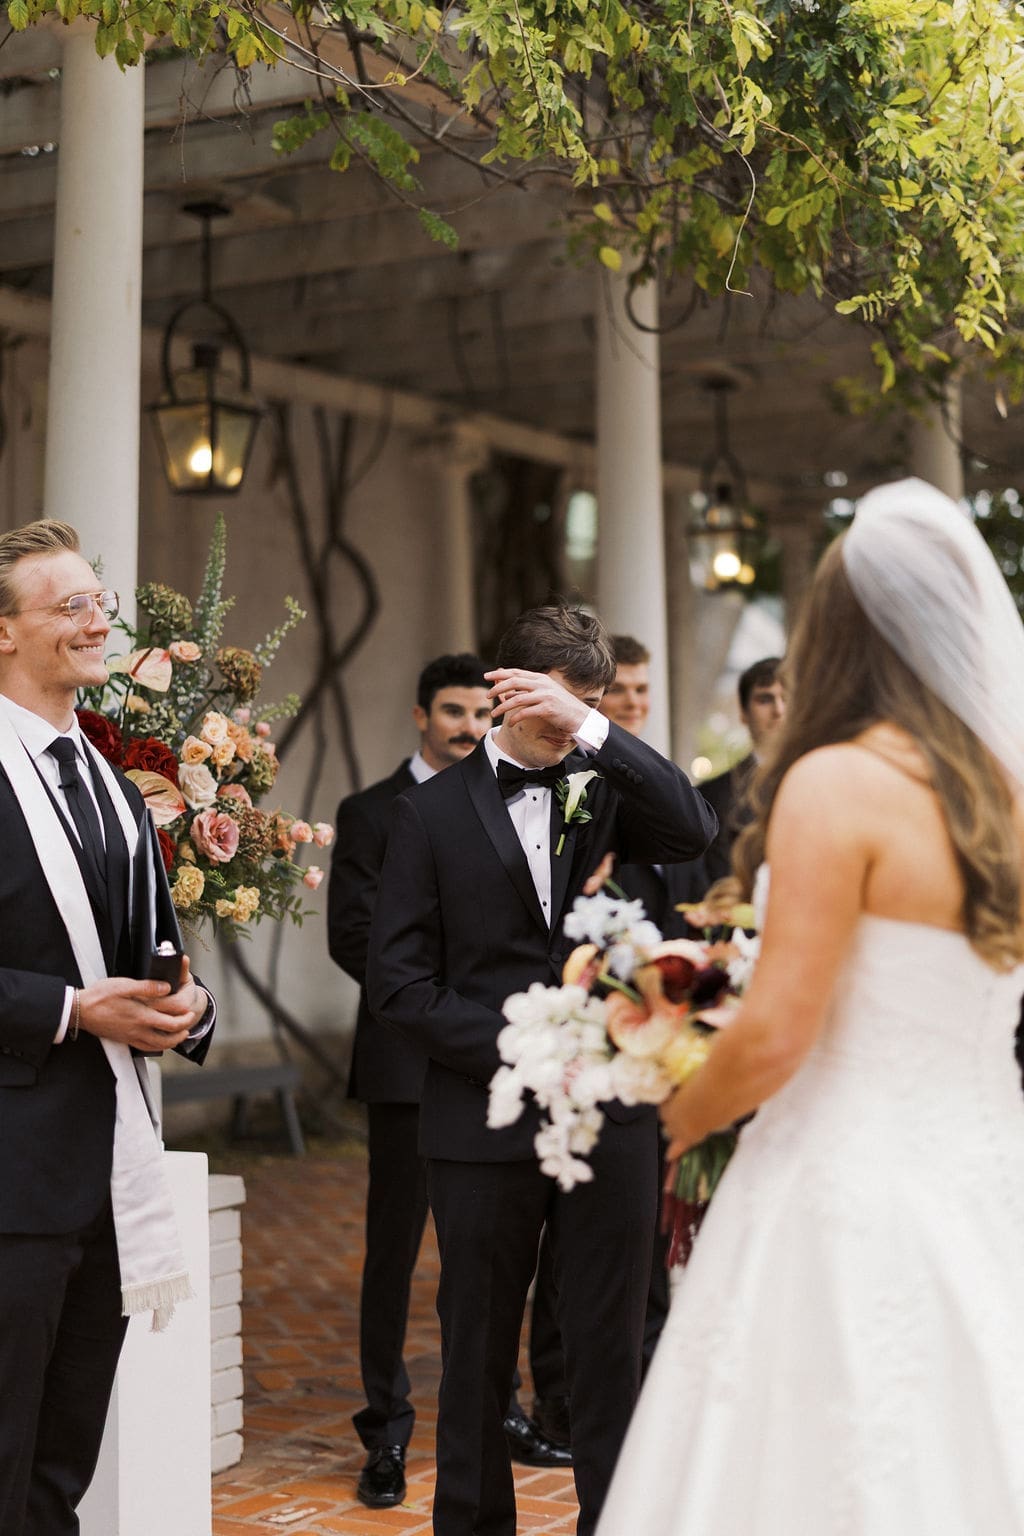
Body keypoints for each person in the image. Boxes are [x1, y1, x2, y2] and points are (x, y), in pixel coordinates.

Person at [596, 479, 1024, 1535]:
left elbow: (783, 1029)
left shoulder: (838, 782)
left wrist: (682, 1113)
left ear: (837, 636)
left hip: (847, 1182)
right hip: (984, 1177)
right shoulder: (1000, 794)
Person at [367, 603, 717, 1536]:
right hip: (482, 1120)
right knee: (478, 1347)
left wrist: (593, 727)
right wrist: (530, 1044)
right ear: (504, 691)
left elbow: (694, 828)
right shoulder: (425, 813)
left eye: (589, 707)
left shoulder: (608, 786)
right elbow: (399, 986)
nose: (569, 729)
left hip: (613, 1116)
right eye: (556, 708)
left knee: (611, 1347)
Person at [0, 519, 215, 1536]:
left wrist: (191, 1004)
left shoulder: (111, 778)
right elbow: (73, 986)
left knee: (62, 1458)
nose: (98, 622)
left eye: (100, 603)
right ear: (4, 632)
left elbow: (144, 943)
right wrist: (68, 1010)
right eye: (70, 606)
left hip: (108, 1169)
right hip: (10, 1177)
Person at [328, 653, 493, 1509]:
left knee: (486, 1250)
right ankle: (385, 1431)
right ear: (422, 715)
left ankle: (485, 1417)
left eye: (480, 714)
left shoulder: (505, 801)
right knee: (394, 1254)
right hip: (404, 1066)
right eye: (454, 712)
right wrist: (446, 1010)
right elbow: (353, 937)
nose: (469, 728)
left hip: (494, 1064)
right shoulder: (369, 813)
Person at [699, 656, 784, 886]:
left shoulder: (827, 786)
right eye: (765, 699)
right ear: (744, 712)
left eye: (788, 698)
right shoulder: (710, 797)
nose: (779, 709)